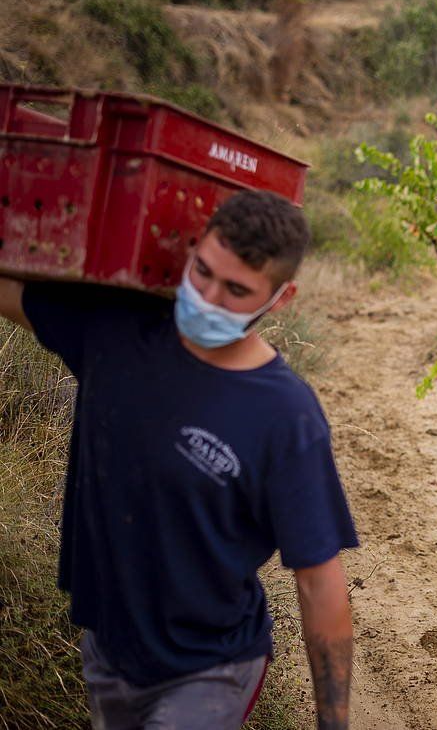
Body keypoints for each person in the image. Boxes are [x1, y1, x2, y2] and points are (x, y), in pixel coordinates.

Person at [0, 191, 358, 729]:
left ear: (280, 299)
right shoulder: (117, 330)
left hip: (209, 668)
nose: (208, 298)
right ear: (191, 250)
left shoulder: (285, 414)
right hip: (107, 647)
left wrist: (334, 721)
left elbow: (318, 578)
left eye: (236, 290)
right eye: (203, 272)